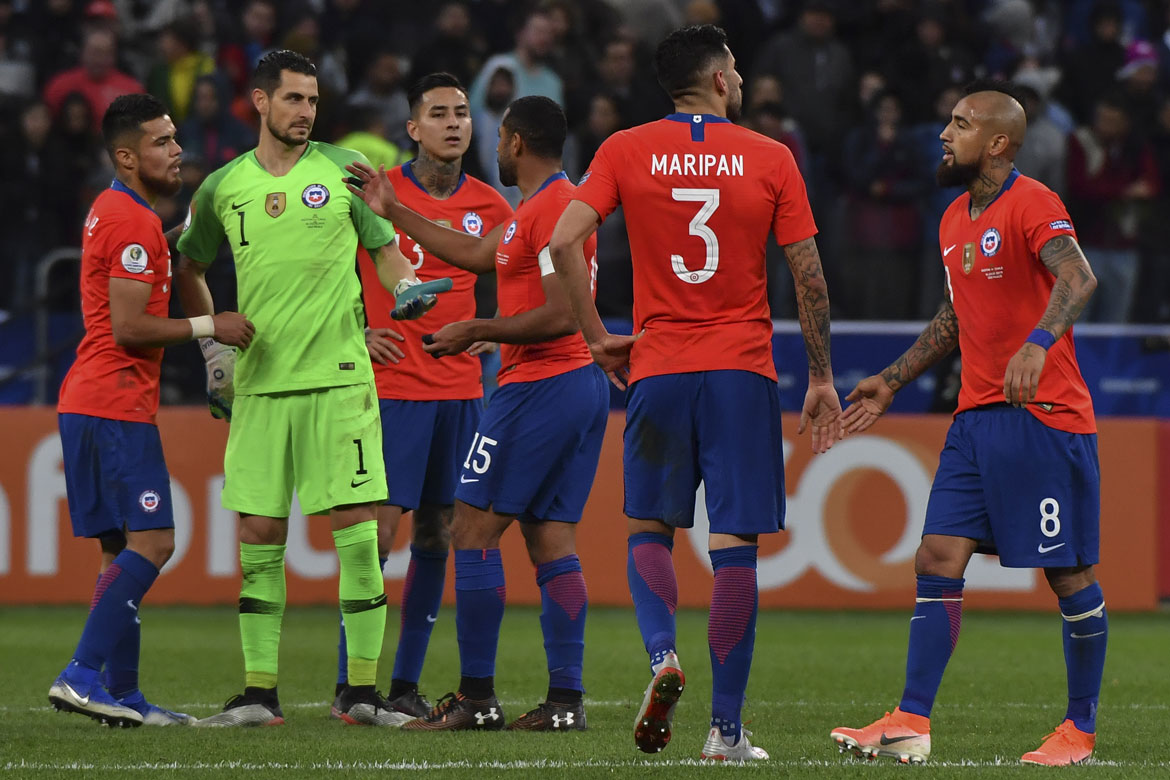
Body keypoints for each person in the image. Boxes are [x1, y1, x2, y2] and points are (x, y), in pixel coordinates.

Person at [549, 24, 842, 761]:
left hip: (659, 365)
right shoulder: (771, 156)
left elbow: (561, 243)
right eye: (736, 68)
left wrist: (594, 335)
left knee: (649, 529)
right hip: (741, 370)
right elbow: (809, 277)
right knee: (734, 545)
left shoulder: (623, 149)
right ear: (718, 80)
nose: (741, 79)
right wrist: (822, 376)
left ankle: (661, 659)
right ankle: (726, 732)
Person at [829, 80, 1105, 767]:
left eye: (960, 124)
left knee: (1068, 574)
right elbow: (957, 317)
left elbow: (1078, 278)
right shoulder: (954, 217)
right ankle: (911, 722)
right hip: (976, 419)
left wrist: (1038, 344)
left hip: (1044, 418)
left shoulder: (1033, 202)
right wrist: (892, 380)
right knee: (936, 558)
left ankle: (1080, 730)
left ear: (999, 143)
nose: (945, 134)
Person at [174, 50, 447, 728]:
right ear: (261, 103)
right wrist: (211, 346)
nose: (305, 112)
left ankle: (359, 693)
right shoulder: (222, 188)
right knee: (260, 533)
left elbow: (385, 249)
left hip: (339, 379)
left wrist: (405, 285)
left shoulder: (343, 172)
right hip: (262, 386)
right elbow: (190, 264)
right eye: (293, 99)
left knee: (357, 532)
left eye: (313, 101)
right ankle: (259, 695)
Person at [346, 94, 608, 732]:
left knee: (469, 531)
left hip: (540, 386)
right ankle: (565, 702)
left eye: (498, 135)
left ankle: (475, 696)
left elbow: (560, 313)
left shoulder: (549, 212)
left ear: (515, 142)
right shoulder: (542, 208)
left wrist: (480, 327)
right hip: (577, 386)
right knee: (551, 539)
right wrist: (394, 209)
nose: (486, 141)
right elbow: (472, 254)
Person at [49, 92, 253, 728]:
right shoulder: (130, 221)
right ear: (127, 155)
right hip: (113, 403)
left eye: (176, 138)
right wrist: (209, 325)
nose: (178, 150)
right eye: (163, 142)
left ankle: (125, 695)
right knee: (156, 541)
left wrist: (171, 242)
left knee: (120, 553)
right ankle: (81, 675)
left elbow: (130, 280)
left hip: (90, 400)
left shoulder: (117, 212)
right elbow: (132, 327)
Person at [329, 72, 513, 719]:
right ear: (412, 128)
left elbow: (515, 280)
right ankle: (353, 684)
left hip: (460, 392)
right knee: (377, 535)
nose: (454, 123)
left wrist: (499, 333)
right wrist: (357, 330)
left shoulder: (491, 205)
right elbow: (326, 278)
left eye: (461, 112)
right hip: (389, 388)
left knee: (440, 531)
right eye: (438, 114)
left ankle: (403, 682)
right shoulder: (377, 195)